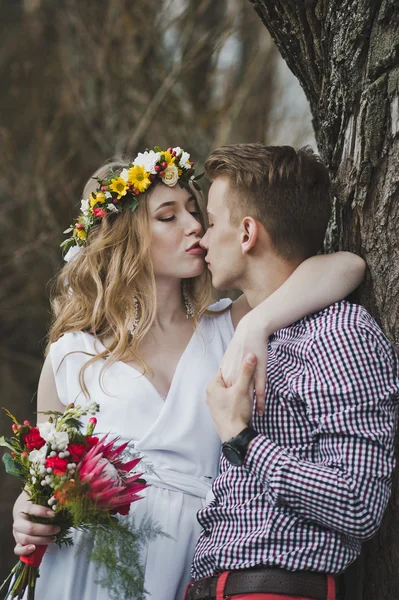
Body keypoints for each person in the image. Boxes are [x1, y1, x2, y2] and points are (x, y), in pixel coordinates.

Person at [11, 146, 365, 600]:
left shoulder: (227, 327)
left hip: (191, 561)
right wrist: (26, 510)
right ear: (124, 235)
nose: (195, 226)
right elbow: (43, 479)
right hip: (86, 562)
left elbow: (347, 267)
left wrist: (257, 322)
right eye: (168, 216)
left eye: (196, 212)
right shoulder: (70, 356)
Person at [186, 144, 399, 600]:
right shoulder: (255, 331)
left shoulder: (341, 335)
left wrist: (241, 439)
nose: (202, 238)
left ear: (247, 233)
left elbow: (358, 501)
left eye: (212, 222)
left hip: (274, 587)